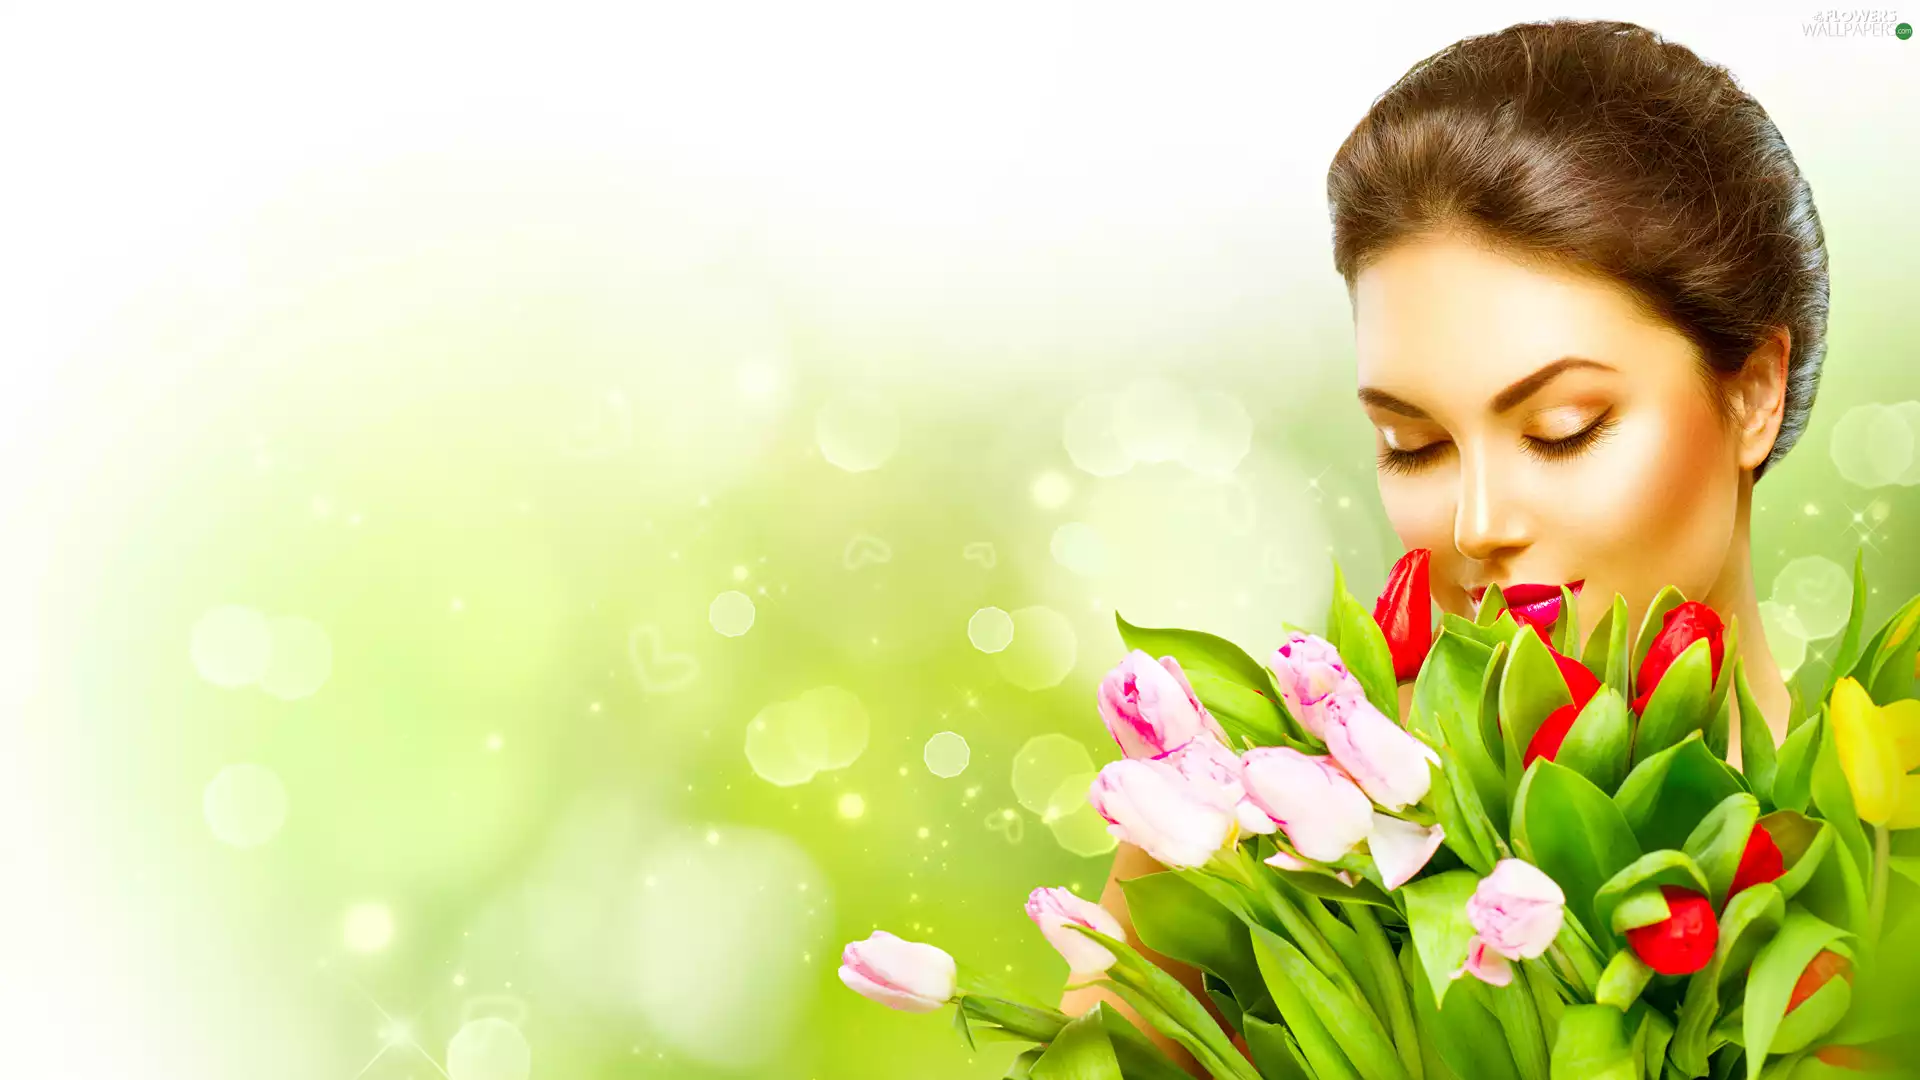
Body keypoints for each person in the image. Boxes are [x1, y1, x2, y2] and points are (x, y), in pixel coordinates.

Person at [1061, 18, 1830, 1074]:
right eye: (1412, 445)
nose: (1477, 524)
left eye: (1562, 429)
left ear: (1751, 394)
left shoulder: (1878, 869)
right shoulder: (1263, 851)